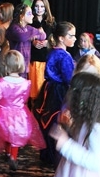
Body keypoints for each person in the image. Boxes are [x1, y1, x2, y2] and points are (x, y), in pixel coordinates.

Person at [0, 50, 45, 172]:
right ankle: (13, 156)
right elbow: (24, 99)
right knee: (16, 136)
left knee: (6, 133)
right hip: (20, 114)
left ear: (6, 65)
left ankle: (8, 153)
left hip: (3, 114)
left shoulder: (0, 82)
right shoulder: (26, 83)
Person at [33, 21, 76, 166]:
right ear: (61, 38)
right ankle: (54, 154)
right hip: (59, 91)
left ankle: (47, 153)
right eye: (71, 36)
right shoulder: (63, 56)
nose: (74, 38)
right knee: (56, 119)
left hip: (50, 88)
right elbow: (69, 78)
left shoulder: (53, 51)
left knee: (49, 119)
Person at [5, 3, 46, 78]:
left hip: (25, 65)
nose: (32, 16)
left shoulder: (28, 28)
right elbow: (22, 37)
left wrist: (32, 35)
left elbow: (43, 35)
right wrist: (34, 33)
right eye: (29, 13)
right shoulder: (14, 28)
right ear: (22, 16)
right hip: (15, 66)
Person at [29, 0, 56, 102]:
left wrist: (48, 43)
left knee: (44, 91)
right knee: (33, 91)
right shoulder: (30, 21)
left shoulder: (51, 22)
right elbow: (23, 37)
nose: (39, 9)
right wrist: (33, 42)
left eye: (42, 6)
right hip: (33, 60)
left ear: (46, 7)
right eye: (36, 6)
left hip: (47, 60)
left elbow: (57, 40)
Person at [0, 1, 14, 78]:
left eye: (0, 12)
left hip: (3, 54)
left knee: (1, 75)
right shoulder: (15, 24)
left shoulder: (2, 27)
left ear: (6, 13)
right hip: (13, 54)